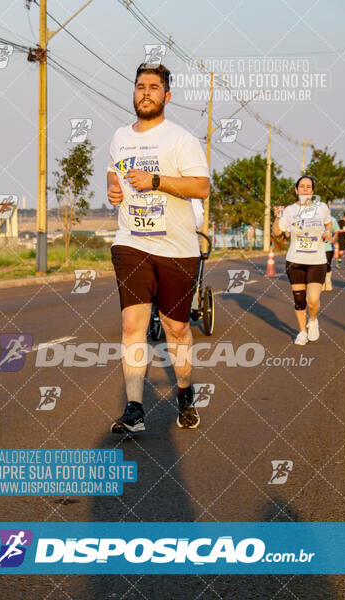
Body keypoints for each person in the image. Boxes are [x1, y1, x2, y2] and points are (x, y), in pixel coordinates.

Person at [107, 63, 210, 433]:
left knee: (176, 328)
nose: (145, 92)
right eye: (139, 86)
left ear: (167, 96)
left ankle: (184, 392)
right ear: (133, 93)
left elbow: (201, 187)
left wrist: (156, 180)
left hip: (177, 248)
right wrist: (112, 187)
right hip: (131, 242)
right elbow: (113, 168)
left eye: (153, 86)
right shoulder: (120, 136)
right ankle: (134, 409)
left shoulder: (180, 140)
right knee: (132, 323)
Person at [272, 176, 332, 345]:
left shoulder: (322, 208)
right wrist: (278, 216)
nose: (305, 189)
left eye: (308, 187)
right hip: (295, 260)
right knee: (299, 299)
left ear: (312, 191)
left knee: (312, 299)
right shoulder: (290, 211)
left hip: (317, 260)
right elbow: (276, 232)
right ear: (296, 190)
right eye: (302, 186)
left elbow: (328, 225)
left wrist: (328, 233)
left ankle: (313, 320)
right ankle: (301, 332)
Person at [322, 215, 339, 291]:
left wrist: (334, 238)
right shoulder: (313, 219)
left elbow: (336, 230)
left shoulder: (332, 219)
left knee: (327, 265)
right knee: (319, 266)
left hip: (328, 247)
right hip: (316, 247)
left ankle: (328, 281)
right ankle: (321, 283)